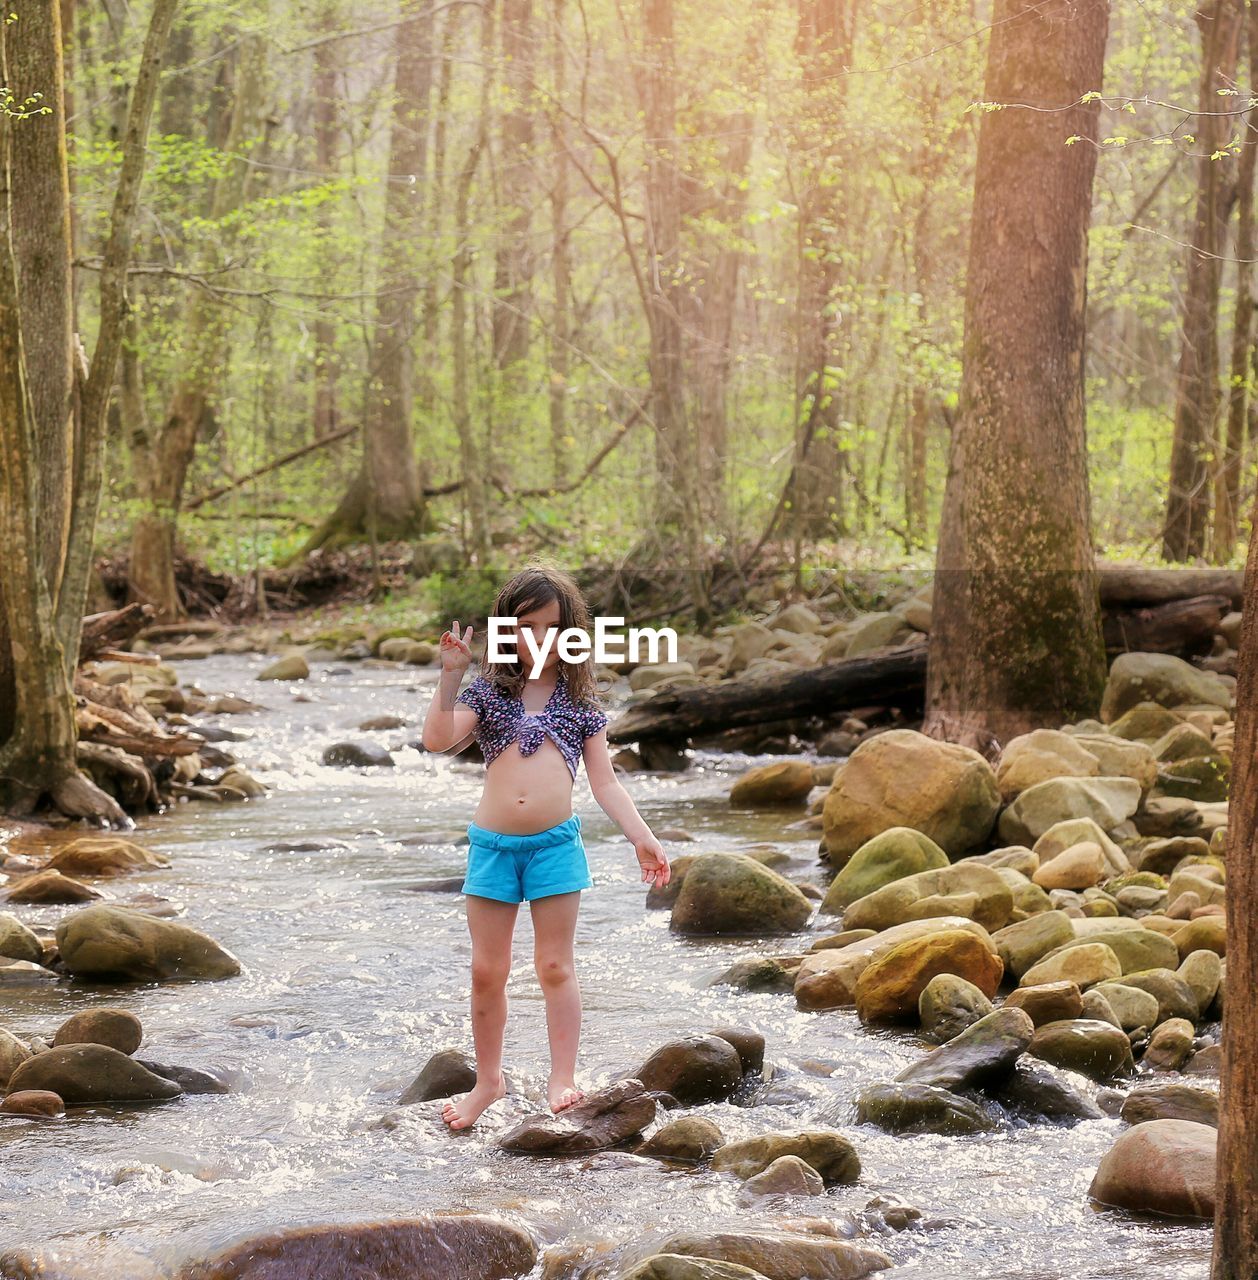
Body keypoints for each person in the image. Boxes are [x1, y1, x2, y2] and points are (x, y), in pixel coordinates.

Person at [421, 564, 671, 1131]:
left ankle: (563, 1076)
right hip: (492, 849)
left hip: (556, 848)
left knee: (555, 965)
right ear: (506, 632)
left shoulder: (580, 706)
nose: (539, 639)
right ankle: (489, 1081)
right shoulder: (488, 693)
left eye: (553, 628)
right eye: (525, 626)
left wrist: (643, 837)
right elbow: (437, 740)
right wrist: (450, 678)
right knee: (488, 970)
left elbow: (605, 782)